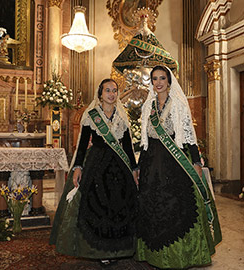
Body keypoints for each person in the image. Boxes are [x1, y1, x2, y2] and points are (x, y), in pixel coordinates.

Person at [135, 65, 222, 269]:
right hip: (151, 165)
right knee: (153, 207)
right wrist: (139, 167)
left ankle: (182, 255)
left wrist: (196, 162)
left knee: (176, 206)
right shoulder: (148, 107)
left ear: (169, 81)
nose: (158, 82)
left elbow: (189, 136)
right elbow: (144, 142)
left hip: (174, 163)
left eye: (162, 78)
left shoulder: (179, 105)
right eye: (154, 79)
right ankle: (155, 254)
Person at [50, 78, 139, 266]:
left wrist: (134, 169)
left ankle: (117, 247)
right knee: (97, 206)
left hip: (119, 167)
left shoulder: (122, 117)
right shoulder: (91, 116)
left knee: (119, 205)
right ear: (100, 94)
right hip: (97, 165)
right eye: (108, 90)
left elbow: (129, 148)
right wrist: (78, 168)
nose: (112, 94)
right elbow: (82, 146)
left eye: (114, 90)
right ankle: (100, 250)